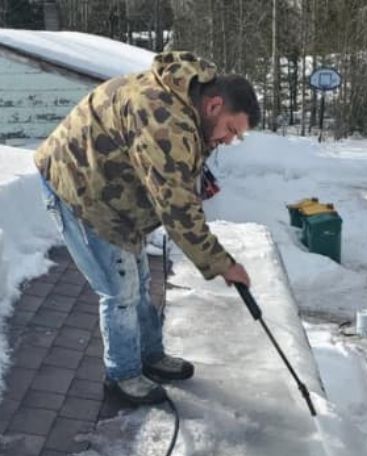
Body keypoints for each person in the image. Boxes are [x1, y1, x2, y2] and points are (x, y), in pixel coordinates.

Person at [34, 51, 261, 406]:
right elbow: (178, 209)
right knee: (120, 290)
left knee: (139, 282)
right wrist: (222, 263)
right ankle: (122, 376)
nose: (229, 140)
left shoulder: (188, 101)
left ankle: (150, 357)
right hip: (80, 189)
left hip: (113, 191)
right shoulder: (165, 120)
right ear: (215, 105)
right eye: (231, 130)